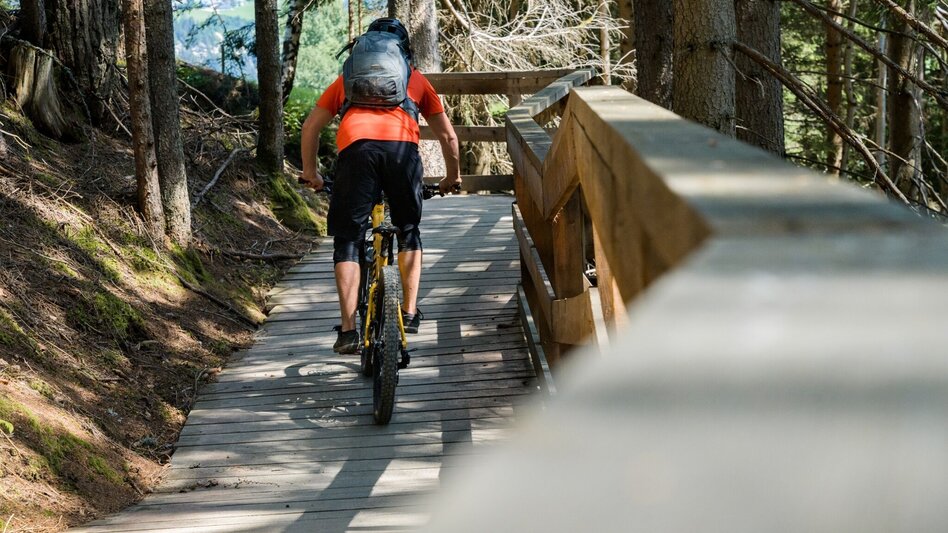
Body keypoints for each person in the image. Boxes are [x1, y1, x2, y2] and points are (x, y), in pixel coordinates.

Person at [299, 18, 461, 354]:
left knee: (348, 239)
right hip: (402, 153)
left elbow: (311, 128)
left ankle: (347, 332)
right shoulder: (415, 79)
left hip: (356, 151)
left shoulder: (347, 80)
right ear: (404, 50)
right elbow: (448, 136)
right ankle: (410, 312)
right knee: (408, 229)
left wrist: (311, 173)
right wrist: (451, 177)